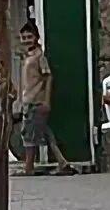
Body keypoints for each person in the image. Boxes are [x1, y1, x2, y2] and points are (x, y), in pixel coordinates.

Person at [17, 21, 77, 176]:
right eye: (23, 37)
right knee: (46, 133)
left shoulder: (39, 57)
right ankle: (62, 162)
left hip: (36, 101)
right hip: (28, 99)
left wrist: (46, 100)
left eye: (29, 37)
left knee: (29, 135)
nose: (26, 40)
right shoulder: (27, 56)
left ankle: (28, 168)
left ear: (36, 37)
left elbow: (48, 76)